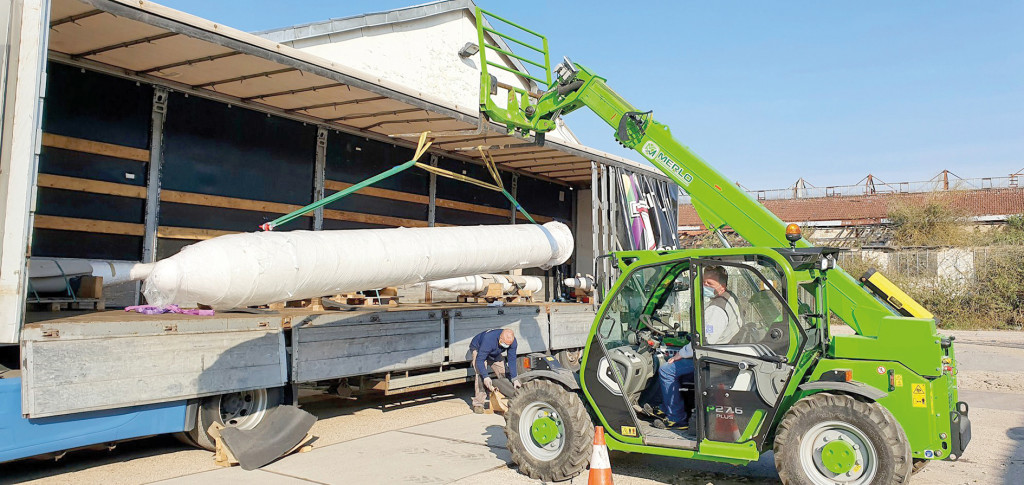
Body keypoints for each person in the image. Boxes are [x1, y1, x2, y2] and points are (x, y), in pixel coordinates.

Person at [652, 266, 741, 430]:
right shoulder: (729, 298)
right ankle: (667, 407)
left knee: (667, 369)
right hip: (724, 352)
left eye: (709, 282)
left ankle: (676, 418)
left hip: (713, 358)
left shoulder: (716, 309)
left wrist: (681, 353)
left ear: (722, 285)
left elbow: (704, 341)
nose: (705, 285)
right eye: (703, 282)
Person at [469, 328, 521, 414]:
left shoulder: (512, 342)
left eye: (508, 345)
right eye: (505, 344)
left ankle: (506, 398)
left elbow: (512, 359)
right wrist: (486, 377)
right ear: (500, 338)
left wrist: (515, 378)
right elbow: (480, 360)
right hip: (479, 349)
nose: (506, 346)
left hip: (494, 352)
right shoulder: (489, 339)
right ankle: (478, 404)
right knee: (480, 374)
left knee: (504, 372)